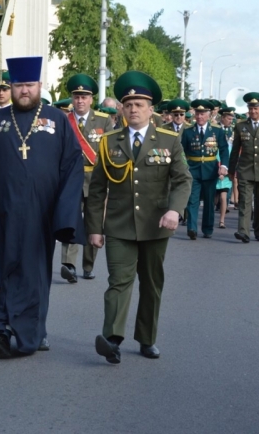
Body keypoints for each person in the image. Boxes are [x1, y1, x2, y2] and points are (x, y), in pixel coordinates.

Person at [0, 56, 85, 358]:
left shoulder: (57, 120)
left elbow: (72, 168)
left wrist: (65, 215)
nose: (23, 90)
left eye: (29, 85)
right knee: (3, 272)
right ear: (11, 87)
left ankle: (32, 332)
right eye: (18, 85)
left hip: (41, 214)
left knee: (33, 274)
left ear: (39, 86)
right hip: (2, 214)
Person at [88, 71, 192, 364]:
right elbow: (97, 190)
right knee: (118, 281)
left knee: (151, 283)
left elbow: (183, 180)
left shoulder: (169, 141)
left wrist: (175, 209)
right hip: (120, 225)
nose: (133, 109)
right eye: (128, 104)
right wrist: (94, 228)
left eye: (139, 104)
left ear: (151, 109)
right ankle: (112, 339)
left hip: (156, 225)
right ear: (121, 108)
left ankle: (146, 338)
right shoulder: (109, 142)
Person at [59, 73, 114, 284]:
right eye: (76, 96)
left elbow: (110, 152)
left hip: (96, 179)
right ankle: (69, 265)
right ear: (72, 98)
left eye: (84, 96)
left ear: (91, 99)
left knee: (94, 222)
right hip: (71, 178)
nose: (80, 100)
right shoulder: (64, 121)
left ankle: (88, 265)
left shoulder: (104, 121)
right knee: (70, 220)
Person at [181, 100, 229, 240]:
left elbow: (224, 149)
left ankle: (207, 229)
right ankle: (192, 228)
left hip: (210, 170)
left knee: (209, 201)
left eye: (202, 114)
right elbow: (182, 151)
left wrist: (224, 166)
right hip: (193, 169)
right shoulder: (188, 131)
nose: (199, 117)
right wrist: (184, 167)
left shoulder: (217, 131)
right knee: (192, 199)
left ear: (208, 115)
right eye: (197, 114)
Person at [228, 92, 259, 243]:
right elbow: (235, 150)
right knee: (244, 202)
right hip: (245, 170)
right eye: (251, 108)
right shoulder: (241, 126)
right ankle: (243, 231)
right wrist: (231, 170)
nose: (253, 111)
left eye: (256, 108)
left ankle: (258, 230)